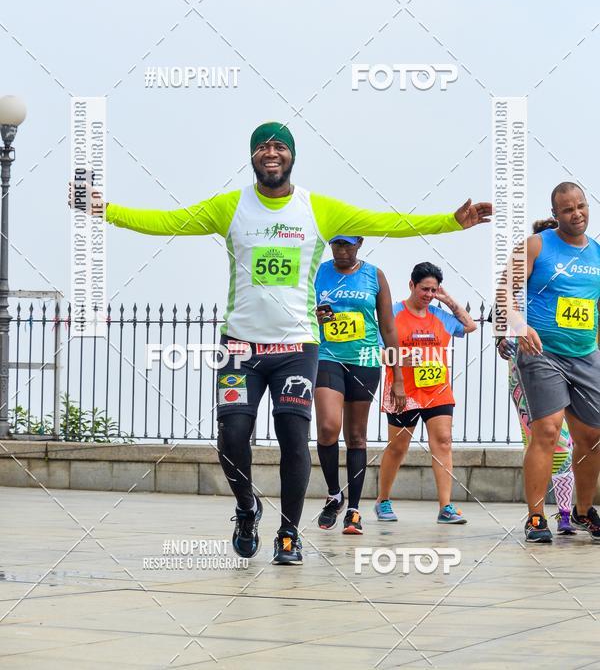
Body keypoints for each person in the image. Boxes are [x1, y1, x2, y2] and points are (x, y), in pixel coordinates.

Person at [71, 122, 491, 565]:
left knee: (294, 439)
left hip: (296, 347)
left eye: (279, 147)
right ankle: (247, 509)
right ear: (252, 157)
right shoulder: (229, 206)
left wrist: (450, 222)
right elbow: (167, 222)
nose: (271, 153)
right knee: (232, 436)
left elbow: (387, 221)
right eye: (262, 147)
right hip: (240, 347)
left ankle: (289, 532)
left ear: (291, 156)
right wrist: (104, 209)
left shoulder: (318, 209)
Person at [501, 182, 600, 543]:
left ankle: (584, 511)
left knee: (591, 437)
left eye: (582, 206)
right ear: (555, 214)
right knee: (546, 429)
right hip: (542, 352)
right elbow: (504, 293)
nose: (577, 214)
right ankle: (536, 516)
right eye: (568, 209)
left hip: (586, 354)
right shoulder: (536, 246)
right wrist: (518, 325)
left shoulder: (598, 254)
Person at [314, 236, 404, 534]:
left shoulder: (374, 275)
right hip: (327, 356)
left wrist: (399, 378)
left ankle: (353, 509)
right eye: (336, 244)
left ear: (360, 244)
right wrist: (315, 317)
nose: (341, 250)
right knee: (328, 427)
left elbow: (388, 327)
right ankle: (333, 493)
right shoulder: (318, 272)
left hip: (364, 359)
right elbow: (299, 311)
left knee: (356, 436)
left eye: (348, 245)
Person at [375, 262, 476, 523]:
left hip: (437, 390)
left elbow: (469, 326)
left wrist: (448, 300)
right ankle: (383, 500)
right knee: (398, 447)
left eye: (434, 290)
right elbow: (378, 351)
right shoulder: (393, 314)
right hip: (403, 390)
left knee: (443, 441)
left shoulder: (439, 315)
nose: (429, 295)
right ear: (411, 285)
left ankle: (446, 507)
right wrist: (401, 358)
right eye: (424, 289)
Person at [496, 218, 576, 536]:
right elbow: (500, 314)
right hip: (527, 373)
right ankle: (539, 515)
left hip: (571, 368)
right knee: (545, 440)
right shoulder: (520, 286)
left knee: (570, 441)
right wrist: (504, 337)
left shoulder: (572, 283)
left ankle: (568, 513)